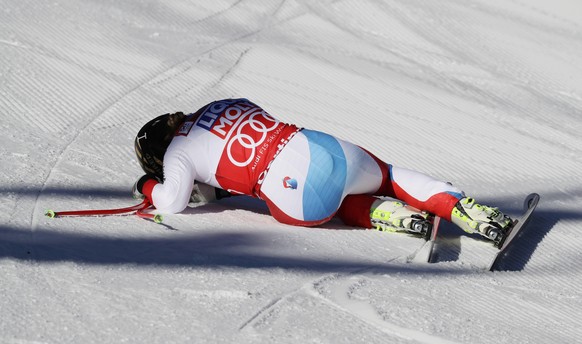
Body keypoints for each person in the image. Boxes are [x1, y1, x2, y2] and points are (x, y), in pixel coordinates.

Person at [133, 98, 512, 245]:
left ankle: (387, 214)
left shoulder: (177, 155)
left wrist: (148, 185)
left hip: (297, 198)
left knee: (323, 203)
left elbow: (173, 202)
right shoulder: (222, 102)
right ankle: (467, 209)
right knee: (390, 175)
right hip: (326, 148)